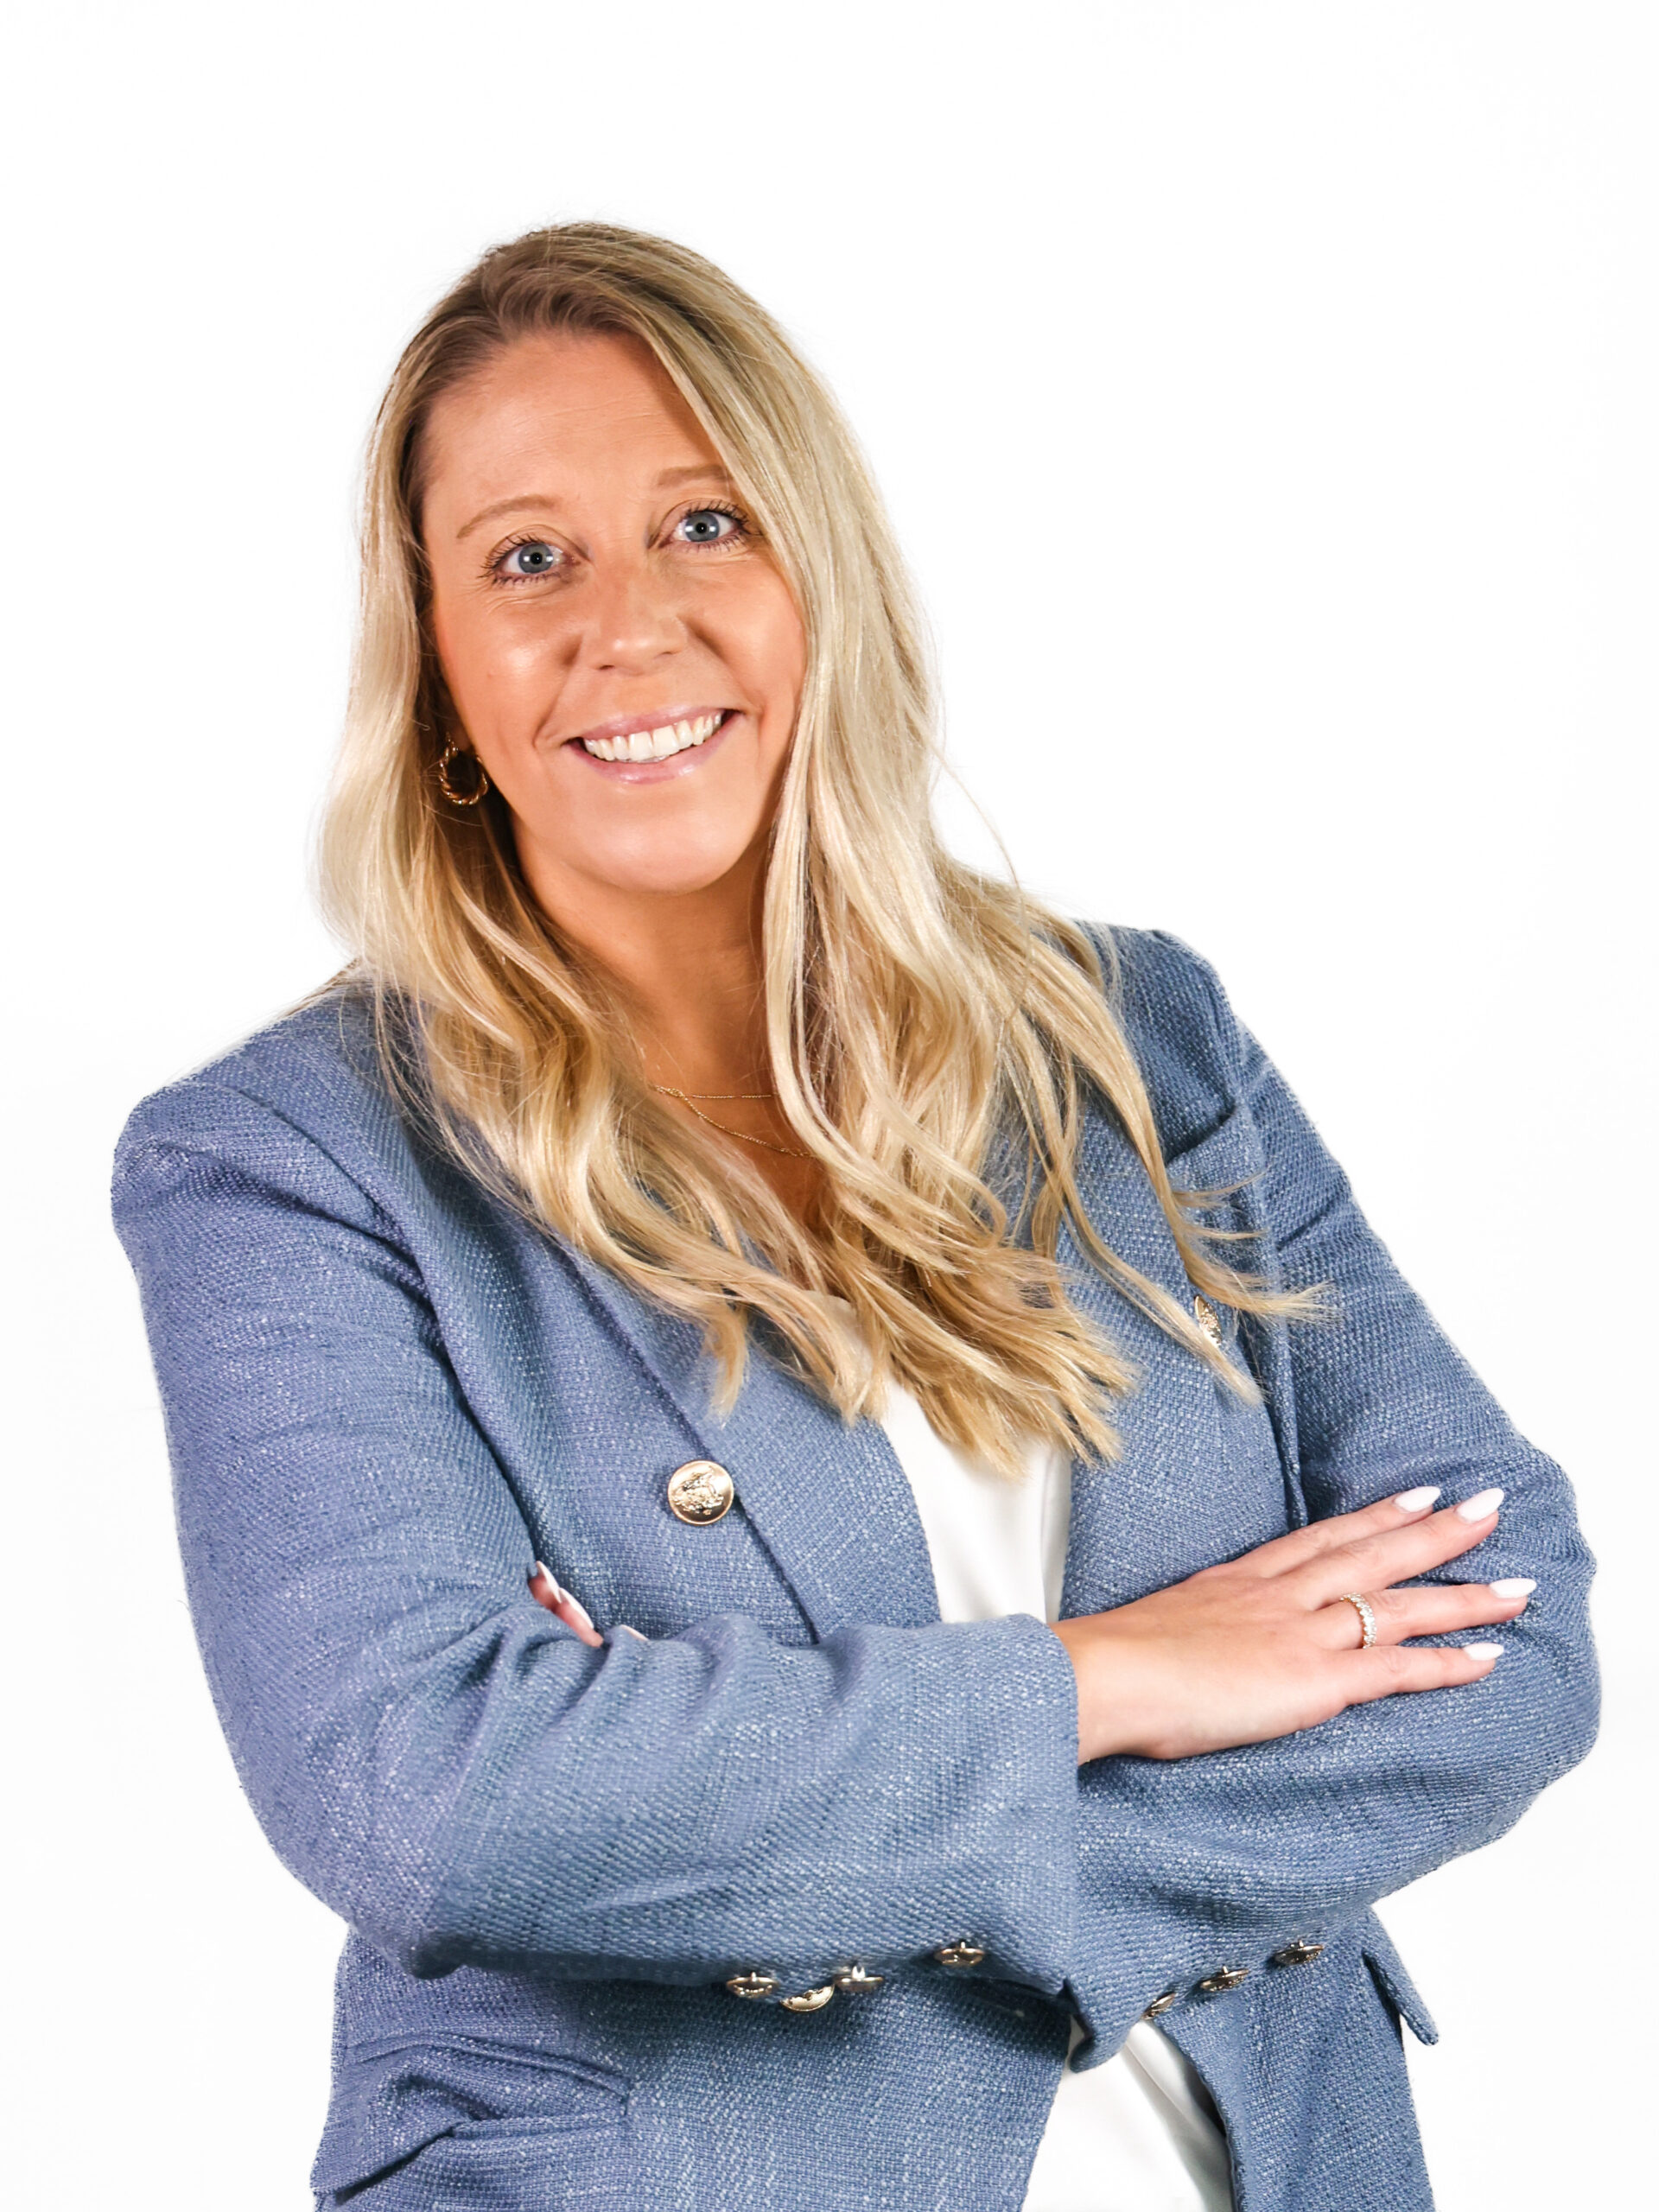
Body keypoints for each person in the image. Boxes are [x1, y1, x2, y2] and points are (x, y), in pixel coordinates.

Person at [112, 223, 1598, 2212]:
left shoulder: (1131, 1038)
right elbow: (438, 1795)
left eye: (705, 522)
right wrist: (1125, 1674)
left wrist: (697, 1789)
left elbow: (1508, 1632)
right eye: (526, 558)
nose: (625, 628)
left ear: (826, 578)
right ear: (441, 672)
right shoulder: (296, 1164)